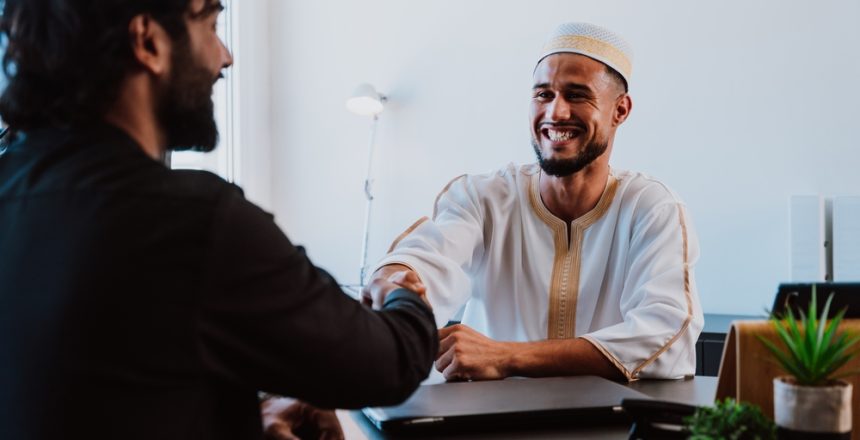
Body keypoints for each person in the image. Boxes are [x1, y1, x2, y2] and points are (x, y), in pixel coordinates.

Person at [0, 1, 437, 439]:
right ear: (148, 41)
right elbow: (389, 364)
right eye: (210, 24)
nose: (225, 55)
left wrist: (245, 420)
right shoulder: (192, 224)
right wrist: (400, 293)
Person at [364, 22, 703, 382]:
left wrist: (508, 356)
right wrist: (395, 279)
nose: (556, 113)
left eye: (576, 95)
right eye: (543, 95)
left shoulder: (651, 208)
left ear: (620, 110)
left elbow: (668, 336)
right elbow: (428, 255)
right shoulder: (483, 198)